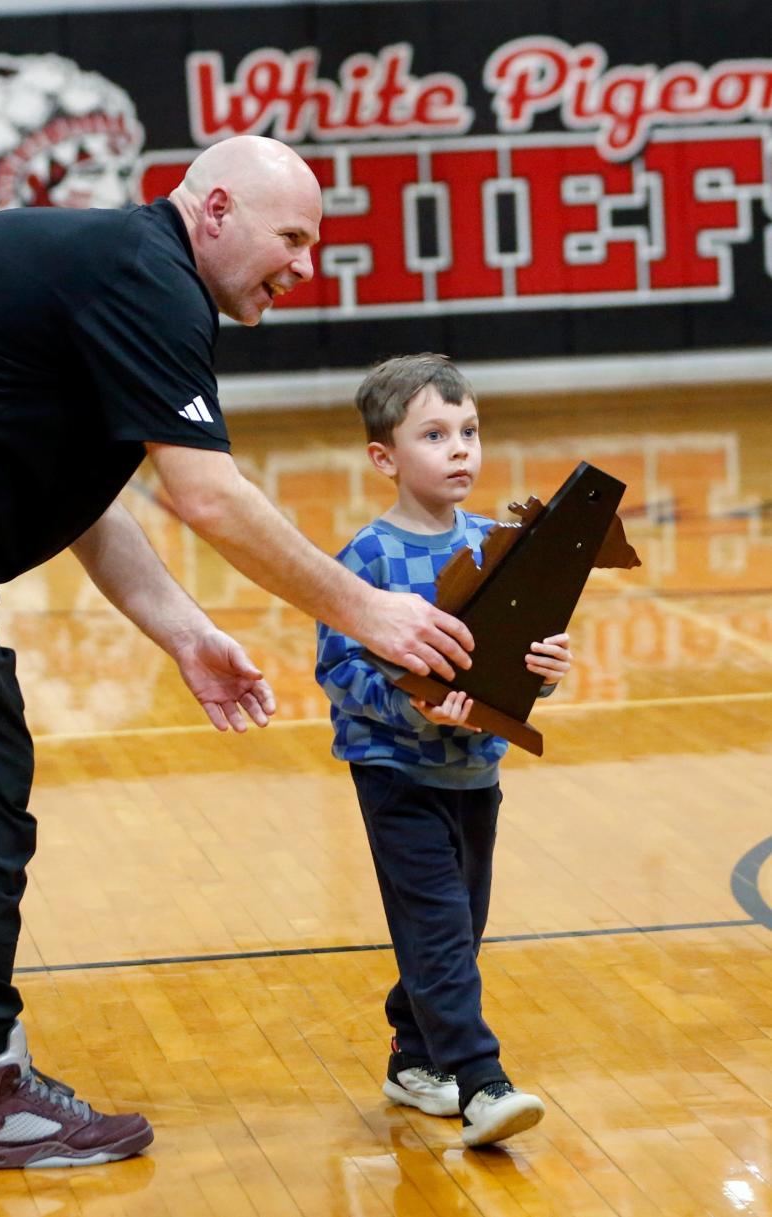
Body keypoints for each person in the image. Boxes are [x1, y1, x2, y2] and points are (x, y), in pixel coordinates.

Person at [0, 135, 476, 1171]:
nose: (306, 263)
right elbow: (208, 494)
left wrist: (184, 630)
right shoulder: (150, 281)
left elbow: (94, 496)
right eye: (291, 236)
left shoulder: (116, 274)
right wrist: (371, 612)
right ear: (213, 211)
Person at [315, 353, 573, 1148]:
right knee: (436, 927)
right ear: (384, 459)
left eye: (469, 430)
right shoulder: (368, 558)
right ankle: (480, 1081)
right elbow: (339, 668)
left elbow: (513, 655)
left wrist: (545, 672)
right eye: (434, 434)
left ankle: (414, 1054)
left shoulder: (499, 543)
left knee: (459, 927)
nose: (460, 447)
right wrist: (419, 705)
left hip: (476, 771)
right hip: (397, 776)